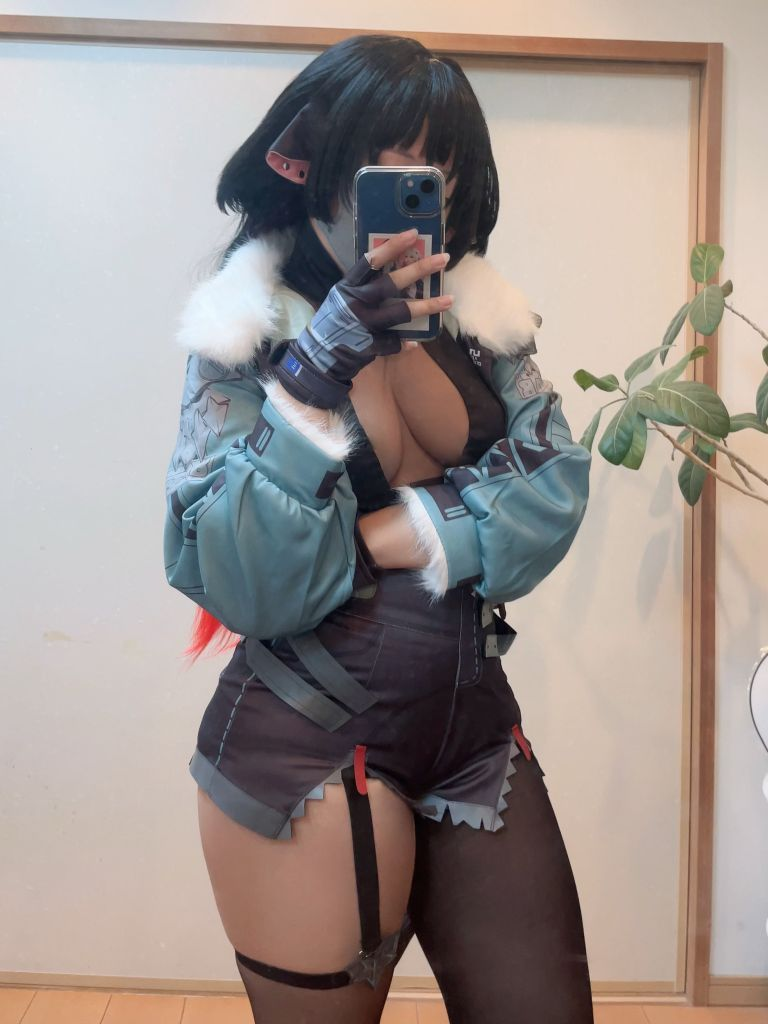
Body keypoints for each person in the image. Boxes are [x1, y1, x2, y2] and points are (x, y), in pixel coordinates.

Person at [163, 33, 594, 1024]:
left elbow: (556, 482)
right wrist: (314, 372)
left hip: (474, 729)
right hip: (304, 740)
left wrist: (406, 532)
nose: (417, 189)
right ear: (307, 163)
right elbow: (243, 576)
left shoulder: (482, 323)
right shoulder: (244, 332)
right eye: (389, 164)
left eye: (440, 167)